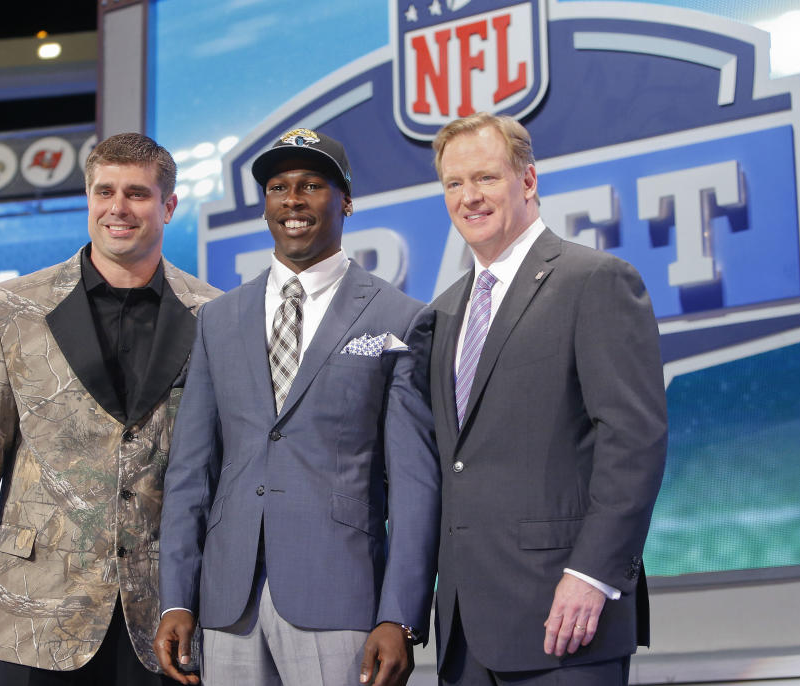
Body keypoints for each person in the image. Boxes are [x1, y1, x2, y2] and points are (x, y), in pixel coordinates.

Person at [154, 128, 440, 686]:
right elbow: (191, 472)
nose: (293, 200)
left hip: (340, 598)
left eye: (311, 185)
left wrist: (400, 615)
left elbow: (414, 484)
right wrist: (175, 601)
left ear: (346, 201)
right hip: (227, 605)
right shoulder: (219, 318)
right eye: (278, 187)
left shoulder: (399, 317)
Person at [0, 132, 221, 685]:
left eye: (137, 194)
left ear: (169, 207)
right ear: (88, 199)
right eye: (104, 191)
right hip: (34, 610)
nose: (118, 208)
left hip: (165, 614)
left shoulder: (215, 314)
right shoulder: (12, 307)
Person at [428, 112, 668, 684]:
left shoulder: (595, 280)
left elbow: (634, 440)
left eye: (485, 178)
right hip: (465, 632)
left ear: (528, 181)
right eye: (454, 184)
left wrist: (593, 573)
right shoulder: (442, 313)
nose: (469, 197)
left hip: (565, 620)